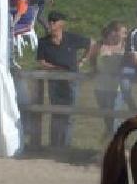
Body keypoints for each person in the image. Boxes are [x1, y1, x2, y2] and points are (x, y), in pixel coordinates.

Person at [34, 11, 93, 148]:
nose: (52, 23)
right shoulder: (43, 42)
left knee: (70, 114)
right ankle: (54, 145)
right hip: (55, 81)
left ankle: (65, 145)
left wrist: (82, 61)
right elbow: (41, 62)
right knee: (56, 113)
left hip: (72, 80)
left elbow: (91, 43)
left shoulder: (71, 38)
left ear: (62, 23)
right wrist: (56, 69)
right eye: (50, 20)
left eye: (55, 20)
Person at [90, 20, 127, 137]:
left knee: (114, 118)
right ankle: (109, 145)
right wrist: (94, 69)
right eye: (124, 32)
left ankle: (114, 145)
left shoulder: (125, 47)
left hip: (117, 89)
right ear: (114, 32)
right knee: (107, 119)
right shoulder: (99, 45)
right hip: (100, 87)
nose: (126, 35)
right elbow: (92, 59)